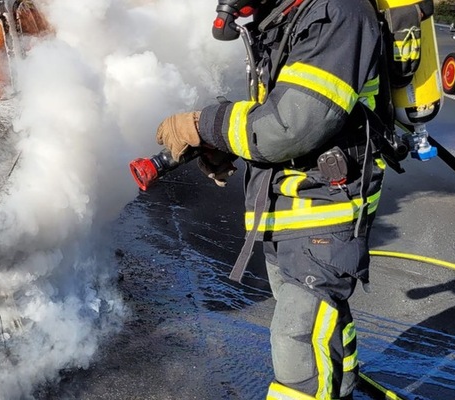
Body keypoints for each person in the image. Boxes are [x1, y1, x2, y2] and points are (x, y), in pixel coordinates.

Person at [154, 0, 391, 398]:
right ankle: (340, 390)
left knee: (296, 335)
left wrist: (202, 124)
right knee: (321, 323)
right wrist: (223, 145)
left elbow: (288, 127)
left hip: (324, 207)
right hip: (290, 207)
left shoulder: (338, 13)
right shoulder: (289, 16)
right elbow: (277, 110)